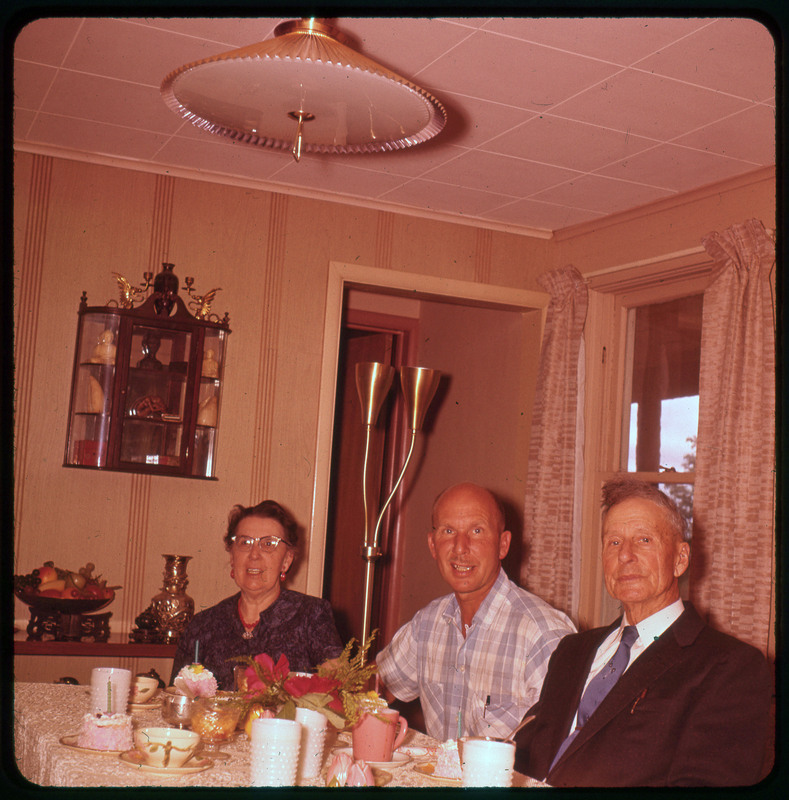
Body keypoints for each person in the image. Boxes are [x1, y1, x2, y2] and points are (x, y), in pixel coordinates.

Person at [514, 478, 773, 787]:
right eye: (613, 542)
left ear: (680, 559)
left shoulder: (730, 666)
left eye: (644, 540)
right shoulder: (571, 651)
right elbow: (523, 752)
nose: (625, 555)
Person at [376, 482, 576, 742]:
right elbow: (376, 686)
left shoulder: (544, 634)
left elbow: (565, 747)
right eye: (448, 531)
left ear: (503, 544)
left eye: (477, 531)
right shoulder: (426, 624)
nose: (460, 547)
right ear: (432, 545)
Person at [171, 500, 344, 690]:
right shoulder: (202, 626)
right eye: (245, 543)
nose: (254, 554)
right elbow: (179, 699)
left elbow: (335, 691)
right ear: (232, 557)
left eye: (268, 544)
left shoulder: (313, 615)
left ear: (286, 561)